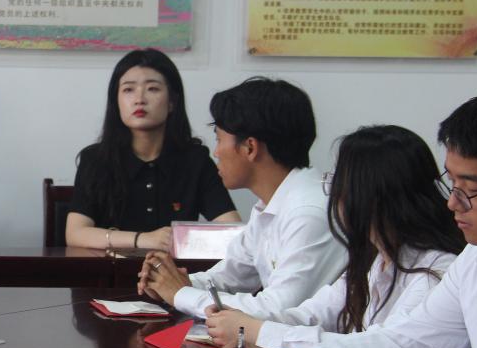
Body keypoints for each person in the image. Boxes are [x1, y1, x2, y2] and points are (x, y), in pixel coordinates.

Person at [223, 94, 477, 348]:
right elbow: (408, 345)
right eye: (452, 183)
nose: (452, 202)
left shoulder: (437, 268)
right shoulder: (473, 259)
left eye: (470, 188)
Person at [205, 125, 462, 348]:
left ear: (367, 194)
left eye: (337, 180)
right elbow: (312, 315)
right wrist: (245, 322)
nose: (332, 191)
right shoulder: (375, 260)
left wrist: (255, 330)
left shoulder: (435, 272)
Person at [138, 77, 346, 318]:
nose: (216, 152)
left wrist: (180, 293)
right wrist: (170, 282)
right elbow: (229, 277)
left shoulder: (309, 212)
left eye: (219, 139)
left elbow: (278, 311)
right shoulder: (272, 203)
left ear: (250, 147)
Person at [65, 48, 239, 251]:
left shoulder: (195, 160)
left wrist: (185, 241)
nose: (139, 99)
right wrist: (142, 239)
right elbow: (75, 233)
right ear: (116, 101)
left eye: (152, 89)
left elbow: (232, 231)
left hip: (175, 271)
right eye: (128, 90)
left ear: (172, 102)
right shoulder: (96, 159)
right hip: (109, 270)